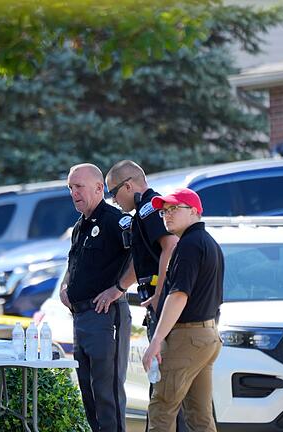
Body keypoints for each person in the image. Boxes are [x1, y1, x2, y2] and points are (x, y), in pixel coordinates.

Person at [105, 160, 183, 432]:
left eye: (113, 193)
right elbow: (143, 259)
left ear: (128, 185)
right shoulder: (143, 211)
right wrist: (118, 288)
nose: (113, 201)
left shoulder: (151, 207)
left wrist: (160, 293)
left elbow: (170, 246)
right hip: (154, 301)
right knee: (162, 385)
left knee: (166, 388)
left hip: (163, 302)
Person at [141, 188, 224, 432]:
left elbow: (178, 296)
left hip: (187, 338)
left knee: (161, 409)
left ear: (195, 212)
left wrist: (155, 341)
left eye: (174, 208)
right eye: (165, 211)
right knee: (200, 417)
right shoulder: (208, 243)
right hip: (207, 337)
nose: (167, 215)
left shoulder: (189, 245)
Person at [60, 163, 133, 432]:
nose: (73, 192)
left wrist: (119, 288)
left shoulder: (115, 220)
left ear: (99, 188)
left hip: (106, 317)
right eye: (70, 187)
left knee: (107, 394)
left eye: (78, 186)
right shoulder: (81, 225)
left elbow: (141, 254)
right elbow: (75, 263)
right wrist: (65, 286)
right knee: (89, 395)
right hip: (81, 317)